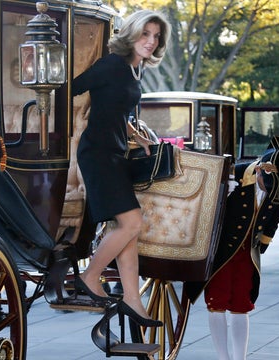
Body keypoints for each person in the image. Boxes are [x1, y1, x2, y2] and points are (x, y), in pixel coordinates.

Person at [71, 10, 170, 328]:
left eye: (156, 36)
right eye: (146, 34)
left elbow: (113, 111)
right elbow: (72, 87)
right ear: (133, 34)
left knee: (128, 233)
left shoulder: (133, 70)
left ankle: (132, 301)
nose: (151, 41)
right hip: (98, 155)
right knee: (131, 223)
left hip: (114, 153)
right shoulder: (113, 64)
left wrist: (136, 135)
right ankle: (89, 276)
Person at [186, 136, 279, 360]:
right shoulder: (235, 174)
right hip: (222, 251)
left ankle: (240, 358)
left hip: (248, 251)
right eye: (268, 185)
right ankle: (223, 357)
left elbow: (276, 213)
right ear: (260, 171)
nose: (271, 191)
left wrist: (264, 242)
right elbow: (203, 212)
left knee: (241, 304)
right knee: (217, 301)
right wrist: (219, 195)